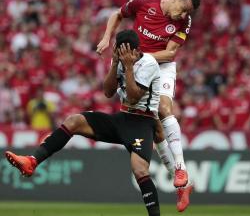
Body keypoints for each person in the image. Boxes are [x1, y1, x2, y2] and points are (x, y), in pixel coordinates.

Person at [5, 30, 162, 216]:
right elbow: (108, 92)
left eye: (128, 53)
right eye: (120, 52)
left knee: (139, 170)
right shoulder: (119, 59)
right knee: (74, 121)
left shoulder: (149, 64)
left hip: (143, 121)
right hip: (122, 117)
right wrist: (116, 64)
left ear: (137, 50)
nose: (125, 56)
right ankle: (32, 161)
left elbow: (135, 98)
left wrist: (128, 67)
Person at [96, 0, 200, 212]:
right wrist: (106, 38)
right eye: (182, 10)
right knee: (154, 126)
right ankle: (183, 186)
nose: (183, 17)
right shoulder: (143, 2)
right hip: (137, 64)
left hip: (161, 66)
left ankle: (180, 168)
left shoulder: (184, 22)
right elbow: (117, 14)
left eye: (186, 14)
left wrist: (136, 57)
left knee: (164, 109)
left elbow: (170, 54)